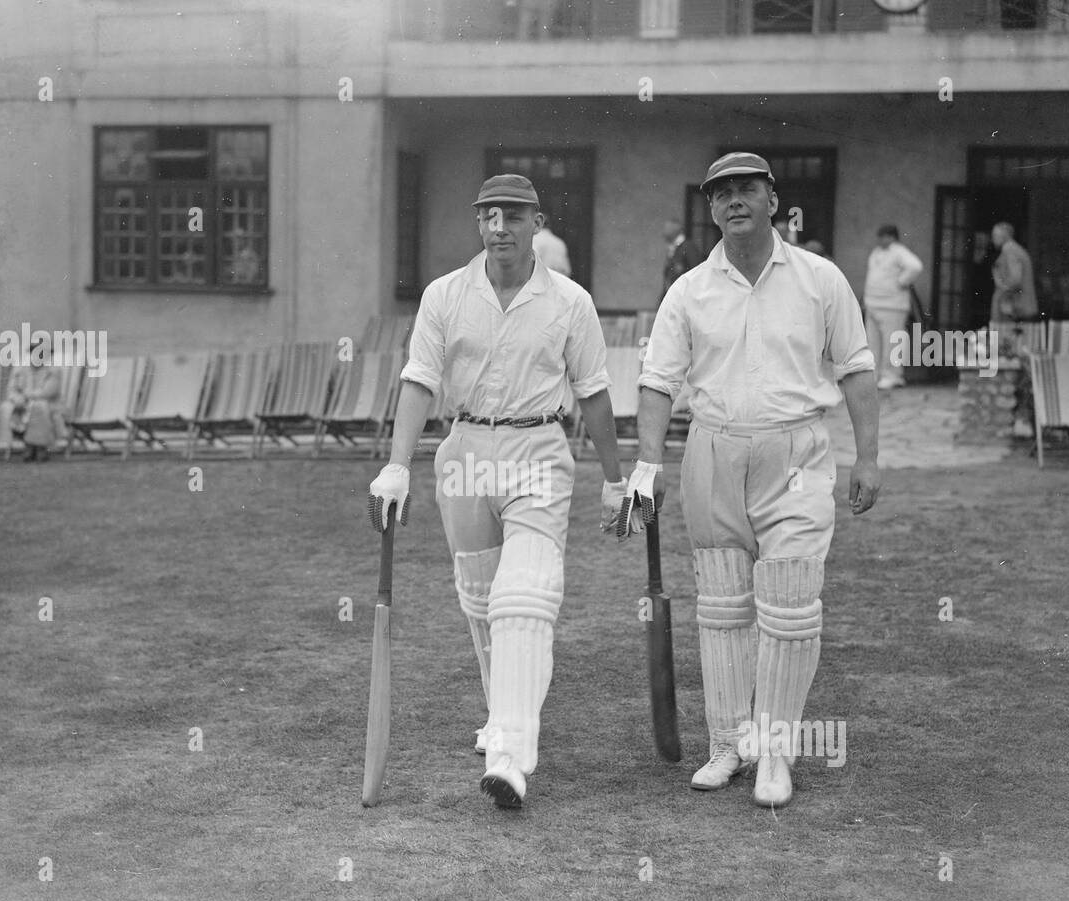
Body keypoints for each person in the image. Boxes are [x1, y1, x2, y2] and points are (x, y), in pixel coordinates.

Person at [622, 152, 880, 809]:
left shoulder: (820, 279)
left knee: (790, 604)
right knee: (724, 605)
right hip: (712, 450)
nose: (734, 201)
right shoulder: (688, 291)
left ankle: (774, 752)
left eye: (747, 189)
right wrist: (646, 469)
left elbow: (855, 367)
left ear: (773, 199)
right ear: (710, 208)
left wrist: (868, 457)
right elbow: (657, 383)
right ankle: (729, 745)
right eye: (721, 194)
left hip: (796, 451)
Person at [367, 173, 624, 809]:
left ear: (538, 223)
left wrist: (616, 480)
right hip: (465, 452)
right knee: (482, 602)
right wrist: (397, 465)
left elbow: (592, 392)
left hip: (539, 448)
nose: (499, 227)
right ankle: (501, 713)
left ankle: (511, 752)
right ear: (478, 224)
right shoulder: (445, 295)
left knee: (523, 598)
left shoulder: (570, 301)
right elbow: (420, 380)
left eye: (513, 215)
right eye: (488, 216)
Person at [862, 224, 923, 391]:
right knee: (872, 342)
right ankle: (874, 375)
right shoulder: (876, 252)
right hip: (873, 303)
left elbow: (915, 267)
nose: (880, 240)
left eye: (883, 236)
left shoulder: (899, 251)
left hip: (893, 305)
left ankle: (893, 376)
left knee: (892, 342)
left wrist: (901, 282)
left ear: (892, 237)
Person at [0, 336, 65, 461]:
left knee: (38, 407)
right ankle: (27, 445)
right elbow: (11, 389)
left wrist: (26, 396)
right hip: (23, 402)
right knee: (6, 408)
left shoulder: (53, 370)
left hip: (49, 403)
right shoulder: (21, 368)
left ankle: (39, 447)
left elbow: (48, 392)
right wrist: (17, 398)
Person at [990, 222, 1038, 322]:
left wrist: (1001, 287)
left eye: (995, 235)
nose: (993, 239)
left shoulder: (1010, 250)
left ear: (1005, 236)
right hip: (1018, 305)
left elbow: (1015, 279)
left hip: (1014, 307)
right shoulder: (1016, 249)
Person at [661, 218, 703, 303]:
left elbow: (697, 273)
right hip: (675, 299)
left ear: (675, 230)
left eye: (666, 228)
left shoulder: (688, 247)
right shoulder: (674, 249)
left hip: (685, 300)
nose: (663, 232)